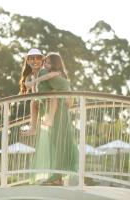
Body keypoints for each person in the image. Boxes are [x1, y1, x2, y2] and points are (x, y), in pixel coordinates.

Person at [32, 52, 78, 185]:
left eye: (48, 62)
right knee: (57, 143)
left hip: (59, 113)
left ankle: (58, 176)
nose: (45, 64)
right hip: (60, 111)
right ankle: (57, 176)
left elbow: (52, 89)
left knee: (58, 143)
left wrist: (35, 80)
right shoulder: (58, 75)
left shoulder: (54, 74)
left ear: (55, 64)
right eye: (45, 62)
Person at [19, 49, 60, 136]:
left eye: (38, 58)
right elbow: (28, 85)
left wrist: (35, 81)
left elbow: (56, 74)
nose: (35, 61)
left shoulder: (45, 71)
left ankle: (49, 119)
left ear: (42, 60)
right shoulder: (30, 75)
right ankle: (33, 128)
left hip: (54, 102)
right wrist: (29, 83)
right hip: (42, 102)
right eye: (32, 58)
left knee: (52, 95)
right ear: (28, 61)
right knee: (33, 102)